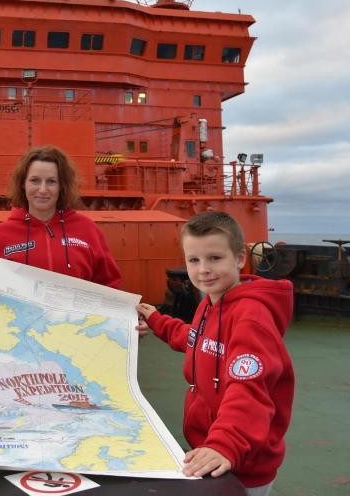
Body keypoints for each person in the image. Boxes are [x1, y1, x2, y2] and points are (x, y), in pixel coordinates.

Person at [136, 211, 294, 495]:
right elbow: (199, 341)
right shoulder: (210, 303)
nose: (203, 269)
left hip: (241, 462)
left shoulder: (251, 317)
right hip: (210, 447)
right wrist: (159, 321)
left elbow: (249, 389)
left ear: (240, 259)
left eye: (215, 258)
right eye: (193, 260)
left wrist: (225, 444)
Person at [0, 145, 121, 287]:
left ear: (61, 186)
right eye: (35, 180)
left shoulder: (88, 230)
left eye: (51, 181)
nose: (43, 190)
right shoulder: (0, 235)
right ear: (23, 184)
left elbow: (110, 285)